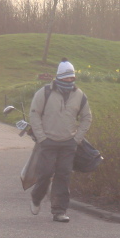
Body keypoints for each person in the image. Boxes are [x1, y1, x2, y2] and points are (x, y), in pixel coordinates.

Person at [28, 58, 92, 222]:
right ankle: (36, 196)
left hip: (68, 143)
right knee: (46, 173)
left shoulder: (79, 95)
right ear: (59, 77)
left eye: (72, 77)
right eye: (66, 78)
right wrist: (42, 137)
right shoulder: (44, 92)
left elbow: (86, 118)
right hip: (48, 142)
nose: (69, 81)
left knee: (63, 176)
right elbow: (34, 114)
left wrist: (76, 139)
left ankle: (59, 211)